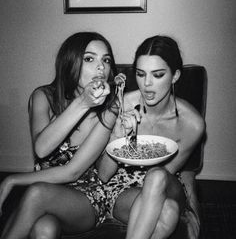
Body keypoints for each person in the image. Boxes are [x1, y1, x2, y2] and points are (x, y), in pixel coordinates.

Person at [0, 32, 118, 238]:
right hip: (46, 191)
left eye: (106, 60)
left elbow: (72, 172)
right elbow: (42, 148)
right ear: (69, 62)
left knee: (37, 192)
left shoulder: (110, 110)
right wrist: (81, 103)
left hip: (86, 199)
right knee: (44, 229)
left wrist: (12, 180)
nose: (101, 67)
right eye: (89, 59)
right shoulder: (43, 96)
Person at [98, 35, 205, 239]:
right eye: (140, 74)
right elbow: (103, 175)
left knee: (156, 176)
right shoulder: (120, 106)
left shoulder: (192, 124)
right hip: (123, 188)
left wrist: (193, 202)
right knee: (169, 212)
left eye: (157, 75)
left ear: (174, 76)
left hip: (165, 183)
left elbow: (165, 173)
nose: (146, 84)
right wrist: (118, 137)